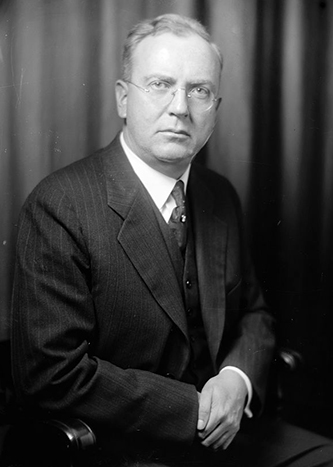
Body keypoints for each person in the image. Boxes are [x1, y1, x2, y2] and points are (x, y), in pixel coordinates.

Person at [11, 13, 333, 467]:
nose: (181, 107)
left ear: (215, 110)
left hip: (234, 436)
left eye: (199, 90)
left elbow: (255, 314)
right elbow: (50, 373)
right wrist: (193, 410)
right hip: (125, 449)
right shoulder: (60, 205)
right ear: (124, 98)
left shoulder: (220, 195)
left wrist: (238, 379)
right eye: (160, 84)